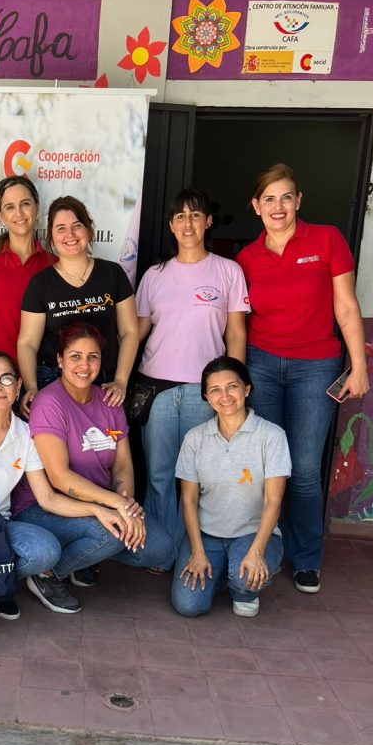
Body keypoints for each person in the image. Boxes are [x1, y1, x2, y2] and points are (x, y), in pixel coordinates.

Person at [0, 351, 133, 644]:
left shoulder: (25, 433)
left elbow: (47, 498)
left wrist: (97, 509)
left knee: (45, 549)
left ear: (18, 385)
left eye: (6, 378)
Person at [235, 164, 370, 594]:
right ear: (256, 206)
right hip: (261, 364)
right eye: (269, 199)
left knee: (306, 468)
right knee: (267, 465)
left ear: (299, 200)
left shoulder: (327, 240)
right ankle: (267, 547)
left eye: (286, 197)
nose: (278, 206)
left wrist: (359, 365)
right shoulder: (246, 259)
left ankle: (307, 559)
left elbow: (346, 307)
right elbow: (238, 322)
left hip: (316, 365)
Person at [13, 323, 174, 602]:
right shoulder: (49, 403)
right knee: (111, 535)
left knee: (161, 547)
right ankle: (47, 574)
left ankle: (84, 556)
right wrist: (116, 505)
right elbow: (59, 477)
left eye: (93, 357)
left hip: (98, 502)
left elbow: (122, 465)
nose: (84, 366)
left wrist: (125, 504)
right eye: (75, 356)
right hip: (44, 506)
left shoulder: (109, 401)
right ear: (60, 360)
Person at [135, 188, 249, 569]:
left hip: (206, 393)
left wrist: (234, 390)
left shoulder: (228, 271)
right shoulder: (154, 276)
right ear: (171, 225)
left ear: (208, 222)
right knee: (159, 475)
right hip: (158, 389)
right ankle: (161, 551)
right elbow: (136, 333)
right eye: (180, 216)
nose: (188, 223)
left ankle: (192, 550)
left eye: (196, 215)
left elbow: (236, 334)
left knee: (199, 477)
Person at [171, 357, 291, 619]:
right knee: (188, 605)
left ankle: (243, 588)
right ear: (206, 397)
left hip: (253, 534)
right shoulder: (195, 438)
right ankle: (226, 573)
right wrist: (197, 552)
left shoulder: (272, 436)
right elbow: (189, 500)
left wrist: (257, 552)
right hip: (207, 536)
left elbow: (273, 502)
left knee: (244, 577)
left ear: (246, 389)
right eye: (215, 390)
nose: (224, 396)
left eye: (232, 387)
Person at [18, 195, 139, 414]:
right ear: (51, 236)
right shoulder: (40, 283)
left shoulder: (112, 274)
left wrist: (121, 380)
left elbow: (130, 331)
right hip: (53, 381)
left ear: (89, 230)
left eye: (76, 226)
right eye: (61, 228)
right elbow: (27, 343)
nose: (70, 234)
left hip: (105, 383)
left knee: (105, 436)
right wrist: (32, 387)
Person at [0, 175, 54, 363]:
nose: (19, 213)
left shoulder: (53, 264)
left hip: (38, 372)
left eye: (25, 204)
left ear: (37, 206)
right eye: (9, 207)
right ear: (0, 214)